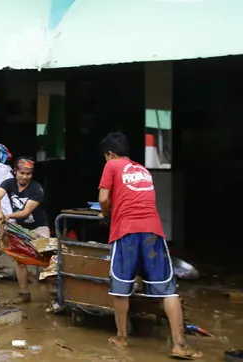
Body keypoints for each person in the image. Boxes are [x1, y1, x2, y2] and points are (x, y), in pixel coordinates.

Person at [97, 132, 201, 359]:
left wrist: (107, 216)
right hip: (153, 232)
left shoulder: (112, 165)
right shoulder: (143, 170)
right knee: (168, 289)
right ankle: (180, 344)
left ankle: (121, 337)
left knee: (120, 288)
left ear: (110, 154)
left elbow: (104, 199)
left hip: (126, 232)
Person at [0, 157, 49, 304]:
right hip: (20, 228)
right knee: (20, 260)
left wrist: (7, 216)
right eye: (22, 173)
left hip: (39, 227)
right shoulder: (8, 183)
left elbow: (25, 212)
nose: (24, 177)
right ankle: (24, 293)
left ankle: (54, 295)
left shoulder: (37, 189)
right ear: (15, 172)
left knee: (47, 258)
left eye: (28, 174)